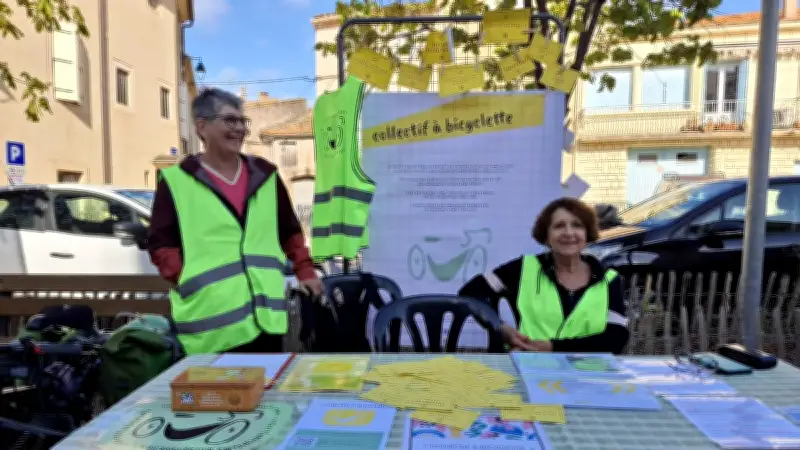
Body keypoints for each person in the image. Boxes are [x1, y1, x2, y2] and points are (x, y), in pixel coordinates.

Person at [147, 88, 323, 355]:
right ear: (202, 127)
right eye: (230, 120)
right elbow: (161, 243)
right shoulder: (175, 182)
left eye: (243, 121)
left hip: (264, 319)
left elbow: (290, 231)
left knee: (263, 394)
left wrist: (305, 271)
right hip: (209, 322)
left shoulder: (266, 175)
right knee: (214, 397)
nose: (240, 129)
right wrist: (183, 277)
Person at [459, 197, 629, 354]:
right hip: (531, 369)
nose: (569, 232)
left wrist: (553, 347)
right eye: (559, 226)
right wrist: (502, 329)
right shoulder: (524, 268)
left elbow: (616, 338)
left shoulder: (608, 279)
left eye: (577, 225)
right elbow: (470, 293)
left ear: (587, 234)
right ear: (546, 236)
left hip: (588, 375)